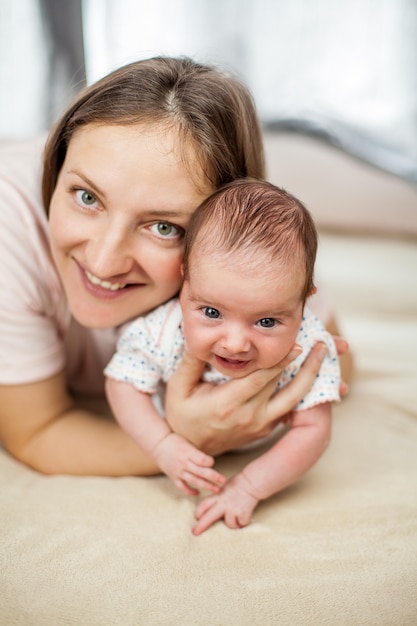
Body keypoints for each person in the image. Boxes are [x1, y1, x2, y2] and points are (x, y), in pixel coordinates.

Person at [0, 56, 350, 477]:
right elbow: (37, 431)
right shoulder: (10, 227)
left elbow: (338, 362)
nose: (103, 261)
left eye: (163, 226)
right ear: (56, 172)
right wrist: (186, 439)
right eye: (86, 197)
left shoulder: (254, 252)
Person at [105, 179, 340, 534]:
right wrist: (162, 443)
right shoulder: (161, 330)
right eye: (212, 312)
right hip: (179, 428)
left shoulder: (308, 344)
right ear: (185, 281)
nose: (234, 344)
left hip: (259, 441)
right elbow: (121, 382)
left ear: (304, 302)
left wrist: (249, 486)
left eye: (266, 321)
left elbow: (315, 430)